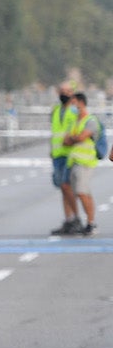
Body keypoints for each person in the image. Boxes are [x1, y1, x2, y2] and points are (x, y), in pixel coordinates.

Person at [62, 92, 99, 236]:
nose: (72, 106)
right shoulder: (75, 121)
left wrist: (74, 138)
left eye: (74, 102)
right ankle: (85, 221)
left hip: (85, 162)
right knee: (76, 191)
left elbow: (83, 136)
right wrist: (74, 138)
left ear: (81, 103)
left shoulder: (90, 120)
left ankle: (91, 223)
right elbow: (66, 139)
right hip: (73, 161)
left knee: (82, 192)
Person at [49, 83, 80, 234]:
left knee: (67, 187)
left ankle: (76, 219)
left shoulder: (74, 110)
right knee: (63, 188)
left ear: (72, 93)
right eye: (61, 91)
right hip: (57, 154)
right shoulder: (56, 110)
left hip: (70, 154)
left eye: (67, 91)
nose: (63, 94)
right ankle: (69, 220)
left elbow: (78, 128)